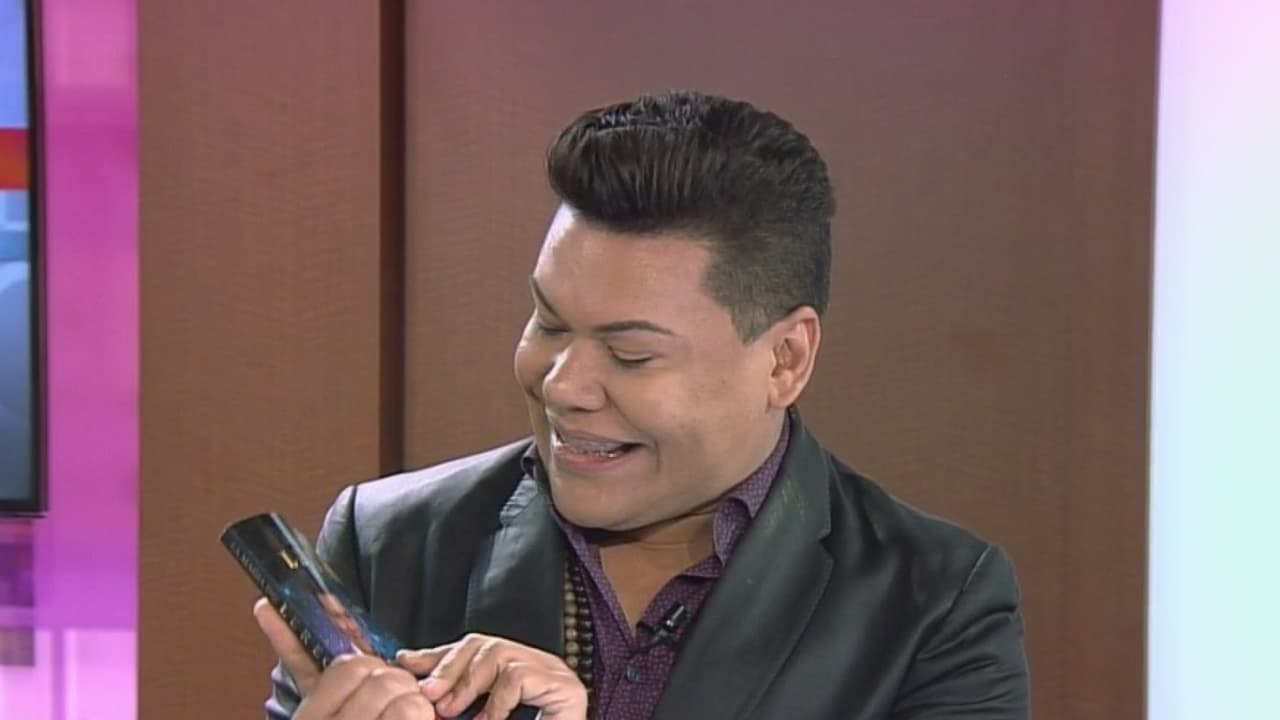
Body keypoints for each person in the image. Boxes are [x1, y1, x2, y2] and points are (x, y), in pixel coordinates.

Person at [254, 90, 1030, 720]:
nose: (563, 385)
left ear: (785, 359)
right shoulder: (388, 546)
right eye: (548, 323)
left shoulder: (934, 605)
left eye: (631, 355)